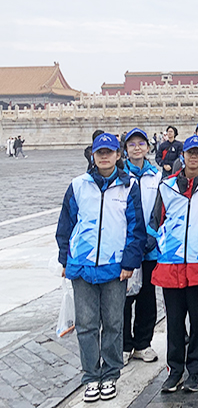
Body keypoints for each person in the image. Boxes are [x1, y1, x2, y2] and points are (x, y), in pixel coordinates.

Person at [55, 133, 146, 402]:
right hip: (82, 266)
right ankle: (91, 376)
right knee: (86, 325)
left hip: (114, 266)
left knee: (114, 323)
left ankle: (111, 374)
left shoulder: (129, 186)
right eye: (99, 153)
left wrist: (130, 262)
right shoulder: (78, 186)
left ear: (118, 155)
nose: (104, 157)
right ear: (93, 156)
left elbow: (136, 228)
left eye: (109, 152)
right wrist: (64, 259)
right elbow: (66, 225)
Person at [150, 135, 198, 393]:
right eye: (189, 153)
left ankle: (195, 370)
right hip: (170, 264)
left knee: (197, 321)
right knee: (173, 321)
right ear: (183, 156)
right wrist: (160, 246)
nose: (193, 157)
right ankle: (174, 370)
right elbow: (155, 222)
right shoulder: (167, 186)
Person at [121, 128, 162, 365]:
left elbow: (160, 209)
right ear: (125, 149)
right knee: (124, 298)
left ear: (147, 147)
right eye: (132, 144)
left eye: (141, 143)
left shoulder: (156, 176)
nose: (137, 148)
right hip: (126, 246)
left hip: (150, 247)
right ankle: (124, 344)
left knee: (147, 296)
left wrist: (151, 236)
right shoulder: (120, 176)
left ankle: (143, 343)